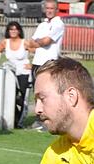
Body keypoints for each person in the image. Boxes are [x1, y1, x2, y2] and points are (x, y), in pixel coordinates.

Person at [26, 0, 63, 130]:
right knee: (37, 93)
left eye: (52, 8)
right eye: (47, 8)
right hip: (37, 62)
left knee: (47, 93)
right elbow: (31, 42)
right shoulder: (42, 24)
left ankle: (48, 121)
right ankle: (39, 120)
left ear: (56, 9)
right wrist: (37, 42)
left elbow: (46, 41)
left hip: (49, 63)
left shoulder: (58, 24)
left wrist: (38, 42)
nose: (49, 10)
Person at [0, 21, 30, 128]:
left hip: (23, 73)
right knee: (11, 97)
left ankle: (20, 121)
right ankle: (14, 119)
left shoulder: (24, 42)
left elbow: (39, 51)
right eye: (11, 29)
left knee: (21, 98)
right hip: (10, 74)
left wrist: (32, 65)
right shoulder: (5, 42)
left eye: (15, 29)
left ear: (19, 31)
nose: (13, 31)